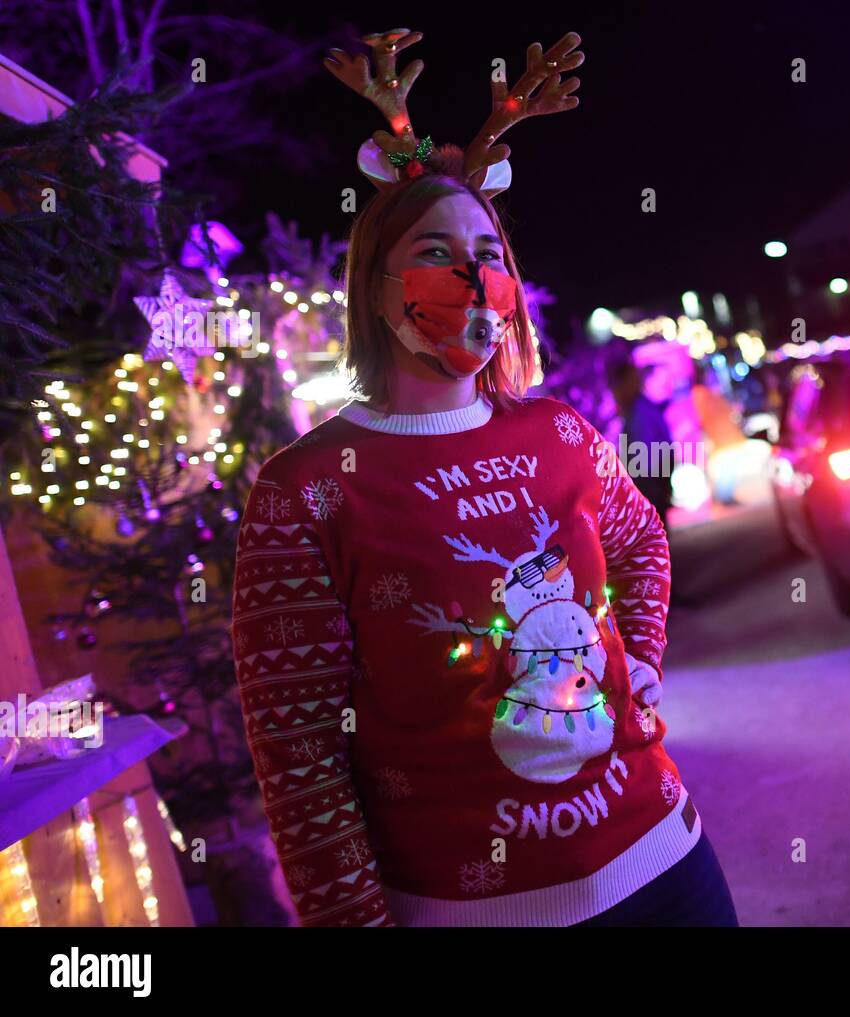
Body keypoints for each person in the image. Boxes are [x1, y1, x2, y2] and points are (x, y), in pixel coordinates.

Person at [230, 28, 736, 928]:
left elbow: (641, 542)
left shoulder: (558, 430)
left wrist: (645, 662)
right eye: (434, 251)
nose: (474, 274)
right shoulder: (303, 488)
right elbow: (302, 757)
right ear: (376, 292)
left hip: (664, 863)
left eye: (492, 253)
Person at [608, 358, 675, 529]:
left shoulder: (639, 412)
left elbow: (643, 456)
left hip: (649, 485)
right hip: (654, 481)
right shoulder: (640, 408)